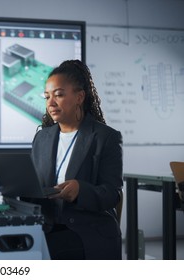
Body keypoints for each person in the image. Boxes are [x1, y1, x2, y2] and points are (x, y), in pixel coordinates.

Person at [30, 59, 123, 260]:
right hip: (47, 226)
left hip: (86, 231)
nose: (51, 103)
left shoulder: (105, 137)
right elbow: (35, 186)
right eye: (47, 97)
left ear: (80, 96)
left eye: (59, 95)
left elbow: (112, 194)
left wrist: (81, 190)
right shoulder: (42, 138)